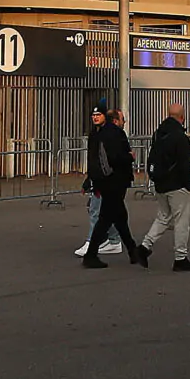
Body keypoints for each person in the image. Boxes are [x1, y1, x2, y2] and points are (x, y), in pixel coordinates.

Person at [83, 106, 146, 268]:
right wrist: (129, 157)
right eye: (122, 119)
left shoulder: (96, 134)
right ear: (115, 120)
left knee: (119, 216)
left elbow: (93, 159)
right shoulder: (114, 134)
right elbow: (113, 158)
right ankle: (91, 255)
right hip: (114, 180)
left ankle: (133, 251)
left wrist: (90, 178)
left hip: (105, 181)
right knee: (106, 217)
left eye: (98, 114)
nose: (124, 122)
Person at [141, 101, 190, 271]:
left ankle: (145, 246)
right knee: (182, 221)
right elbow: (184, 164)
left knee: (163, 217)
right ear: (182, 118)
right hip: (178, 186)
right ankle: (180, 258)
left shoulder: (159, 133)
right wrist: (189, 186)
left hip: (160, 183)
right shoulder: (180, 137)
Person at [72, 104, 123, 258]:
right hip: (100, 178)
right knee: (105, 211)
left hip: (106, 180)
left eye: (98, 115)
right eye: (93, 115)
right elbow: (94, 160)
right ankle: (114, 241)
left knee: (96, 211)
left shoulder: (109, 135)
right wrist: (89, 180)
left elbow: (109, 160)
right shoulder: (95, 134)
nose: (95, 117)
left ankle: (92, 242)